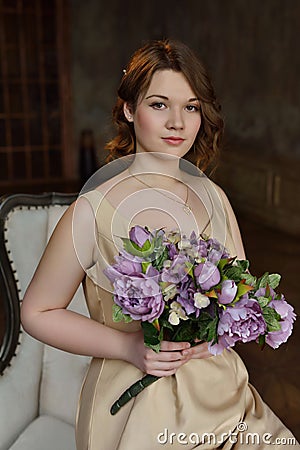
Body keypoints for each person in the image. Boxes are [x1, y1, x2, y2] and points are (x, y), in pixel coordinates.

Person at [21, 40, 297, 449]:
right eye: (158, 105)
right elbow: (37, 312)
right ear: (129, 110)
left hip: (221, 394)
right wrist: (129, 346)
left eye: (191, 107)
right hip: (138, 402)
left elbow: (240, 294)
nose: (177, 123)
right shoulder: (91, 211)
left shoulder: (214, 198)